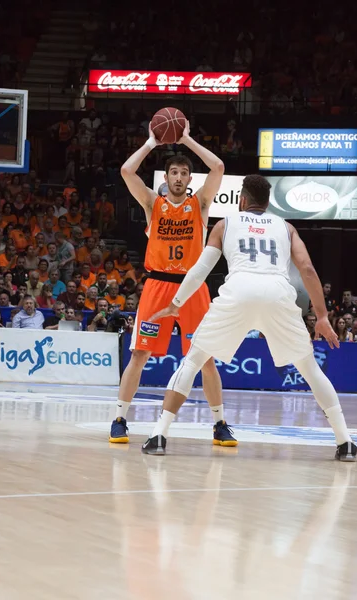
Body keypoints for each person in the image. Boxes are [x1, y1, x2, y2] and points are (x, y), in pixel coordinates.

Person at [142, 174, 357, 462]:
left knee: (193, 361)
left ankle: (159, 435)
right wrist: (321, 316)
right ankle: (346, 442)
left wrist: (176, 303)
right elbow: (307, 269)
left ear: (242, 200)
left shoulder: (225, 224)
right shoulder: (286, 227)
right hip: (278, 294)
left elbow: (200, 270)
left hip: (238, 292)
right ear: (268, 203)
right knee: (309, 369)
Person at [109, 120, 230, 446]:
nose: (178, 177)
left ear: (190, 178)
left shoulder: (201, 204)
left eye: (183, 173)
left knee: (205, 358)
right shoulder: (153, 204)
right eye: (173, 172)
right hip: (158, 287)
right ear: (166, 178)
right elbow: (126, 171)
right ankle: (120, 418)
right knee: (139, 356)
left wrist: (187, 138)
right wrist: (151, 142)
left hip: (192, 288)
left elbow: (218, 165)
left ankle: (219, 424)